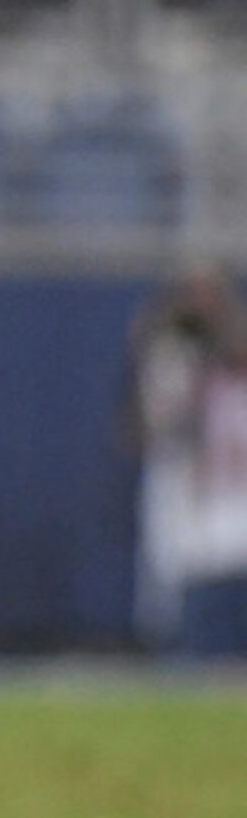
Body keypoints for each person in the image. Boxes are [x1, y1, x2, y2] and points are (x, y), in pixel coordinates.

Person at [126, 266, 247, 656]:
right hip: (180, 467)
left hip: (222, 475)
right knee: (170, 565)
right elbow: (145, 420)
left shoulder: (223, 352)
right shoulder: (169, 348)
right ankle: (172, 649)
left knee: (215, 559)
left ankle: (208, 647)